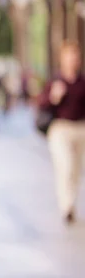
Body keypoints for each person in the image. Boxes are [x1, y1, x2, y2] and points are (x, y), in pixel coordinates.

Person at [38, 40, 85, 224]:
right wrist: (54, 97)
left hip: (80, 128)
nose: (73, 60)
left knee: (75, 169)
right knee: (65, 166)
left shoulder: (82, 82)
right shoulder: (55, 82)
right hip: (60, 129)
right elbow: (42, 105)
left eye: (76, 56)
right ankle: (66, 206)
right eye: (70, 56)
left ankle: (71, 202)